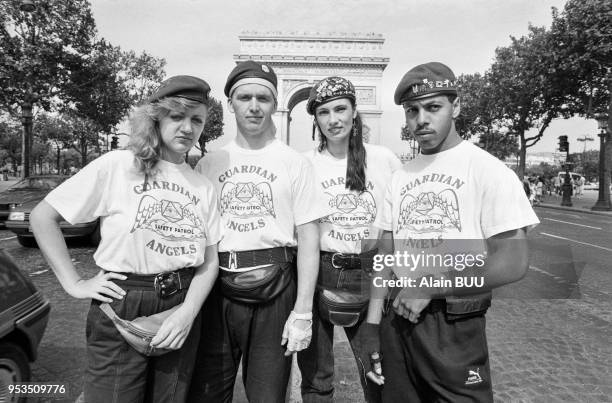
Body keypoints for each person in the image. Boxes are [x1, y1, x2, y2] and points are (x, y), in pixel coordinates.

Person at [30, 75, 221, 403]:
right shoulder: (119, 165)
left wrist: (188, 312)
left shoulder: (202, 186)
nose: (187, 128)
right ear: (156, 118)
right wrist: (75, 283)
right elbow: (43, 217)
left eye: (197, 120)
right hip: (123, 301)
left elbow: (210, 260)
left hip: (180, 306)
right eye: (177, 116)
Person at [367, 62, 539, 402]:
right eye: (411, 111)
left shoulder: (489, 170)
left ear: (456, 106)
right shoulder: (400, 176)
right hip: (395, 318)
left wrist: (430, 287)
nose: (421, 119)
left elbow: (513, 262)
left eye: (433, 107)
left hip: (454, 323)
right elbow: (384, 256)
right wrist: (373, 326)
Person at [187, 60, 328, 403]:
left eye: (262, 99)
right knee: (206, 394)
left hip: (276, 290)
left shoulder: (295, 162)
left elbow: (309, 239)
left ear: (275, 104)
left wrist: (303, 311)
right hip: (217, 289)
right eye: (244, 97)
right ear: (231, 104)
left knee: (267, 396)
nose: (253, 106)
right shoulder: (209, 163)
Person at [298, 76, 401, 403]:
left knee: (378, 372)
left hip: (372, 274)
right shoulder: (304, 165)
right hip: (318, 275)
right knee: (316, 378)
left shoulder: (384, 160)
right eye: (324, 112)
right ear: (315, 119)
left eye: (341, 109)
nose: (334, 119)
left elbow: (397, 228)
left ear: (355, 111)